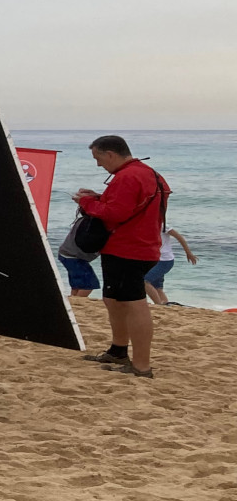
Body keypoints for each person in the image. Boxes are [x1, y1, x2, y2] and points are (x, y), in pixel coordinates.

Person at [75, 136, 169, 377]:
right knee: (113, 298)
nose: (98, 164)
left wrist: (87, 202)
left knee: (134, 303)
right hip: (141, 246)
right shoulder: (150, 174)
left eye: (98, 158)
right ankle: (118, 351)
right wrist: (99, 198)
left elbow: (116, 213)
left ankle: (141, 366)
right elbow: (132, 206)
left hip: (129, 249)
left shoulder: (127, 176)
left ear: (110, 154)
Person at [144, 226, 197, 306]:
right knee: (157, 287)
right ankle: (165, 305)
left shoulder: (163, 226)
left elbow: (179, 237)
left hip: (165, 261)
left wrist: (188, 253)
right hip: (154, 260)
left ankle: (158, 305)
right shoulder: (148, 225)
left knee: (145, 281)